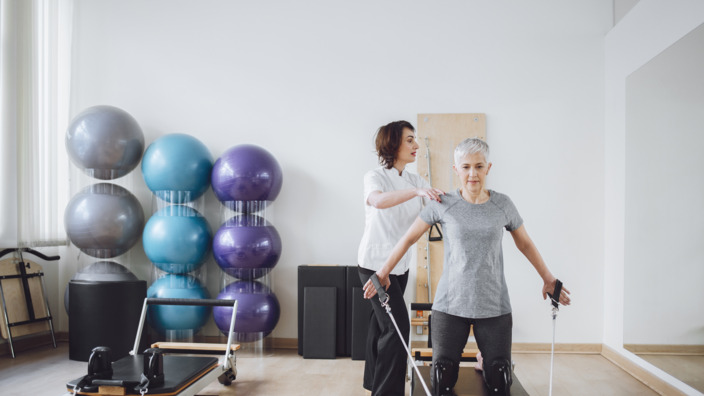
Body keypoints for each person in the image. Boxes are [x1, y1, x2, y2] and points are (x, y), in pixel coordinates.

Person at [363, 137, 571, 395]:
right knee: (442, 376)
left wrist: (548, 279)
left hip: (494, 306)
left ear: (488, 168)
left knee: (499, 376)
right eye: (466, 167)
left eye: (479, 166)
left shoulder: (502, 204)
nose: (472, 174)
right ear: (456, 170)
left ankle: (486, 363)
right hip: (450, 306)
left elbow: (525, 244)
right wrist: (382, 272)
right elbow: (408, 238)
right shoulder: (443, 203)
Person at [357, 120, 445, 396]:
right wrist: (417, 192)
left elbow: (435, 203)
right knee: (397, 329)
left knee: (379, 326)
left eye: (414, 140)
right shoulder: (375, 176)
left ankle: (373, 383)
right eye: (410, 140)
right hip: (374, 265)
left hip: (401, 266)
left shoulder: (414, 180)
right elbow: (379, 201)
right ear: (392, 143)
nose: (416, 145)